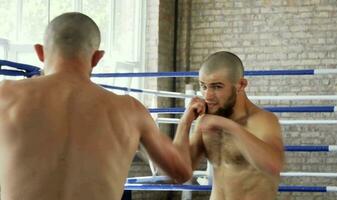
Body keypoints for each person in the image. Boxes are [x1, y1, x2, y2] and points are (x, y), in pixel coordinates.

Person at [0, 12, 192, 200]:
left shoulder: (6, 96)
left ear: (40, 52)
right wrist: (187, 119)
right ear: (97, 57)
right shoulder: (130, 111)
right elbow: (180, 172)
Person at [174, 51, 284, 200]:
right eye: (203, 86)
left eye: (217, 87)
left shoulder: (262, 120)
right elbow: (179, 174)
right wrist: (184, 123)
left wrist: (228, 125)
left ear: (241, 84)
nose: (207, 96)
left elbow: (273, 166)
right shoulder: (206, 122)